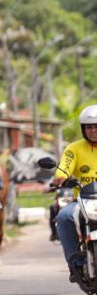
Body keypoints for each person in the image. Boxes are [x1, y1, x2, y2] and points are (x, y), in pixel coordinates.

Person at [54, 104, 97, 283]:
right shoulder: (74, 148)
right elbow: (65, 165)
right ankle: (76, 264)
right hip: (83, 201)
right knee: (63, 216)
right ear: (83, 129)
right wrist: (60, 176)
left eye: (96, 126)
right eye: (89, 127)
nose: (93, 130)